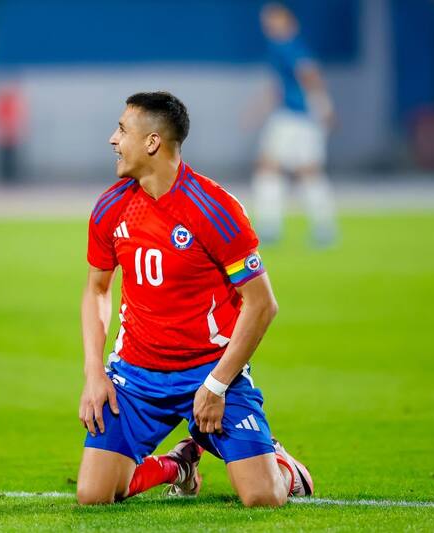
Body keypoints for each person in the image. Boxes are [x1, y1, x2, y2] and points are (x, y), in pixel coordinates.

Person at [76, 91, 313, 507]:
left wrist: (217, 385)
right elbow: (97, 290)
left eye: (121, 130)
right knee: (93, 495)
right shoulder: (110, 207)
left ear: (152, 142)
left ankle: (283, 466)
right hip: (136, 375)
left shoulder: (214, 209)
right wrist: (95, 374)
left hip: (208, 371)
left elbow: (262, 304)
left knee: (263, 497)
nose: (113, 139)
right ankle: (179, 464)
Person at [250, 3, 337, 246]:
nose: (268, 26)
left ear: (287, 21)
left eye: (272, 20)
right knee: (307, 171)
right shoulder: (286, 46)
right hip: (302, 117)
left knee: (269, 167)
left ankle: (269, 228)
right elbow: (283, 85)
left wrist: (324, 105)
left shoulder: (288, 46)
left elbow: (309, 74)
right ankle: (324, 227)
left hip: (293, 117)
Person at [0, 82, 27, 183]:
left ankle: (12, 177)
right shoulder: (1, 103)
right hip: (3, 135)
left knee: (12, 158)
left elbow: (18, 117)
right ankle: (4, 178)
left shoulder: (12, 102)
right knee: (3, 158)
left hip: (11, 135)